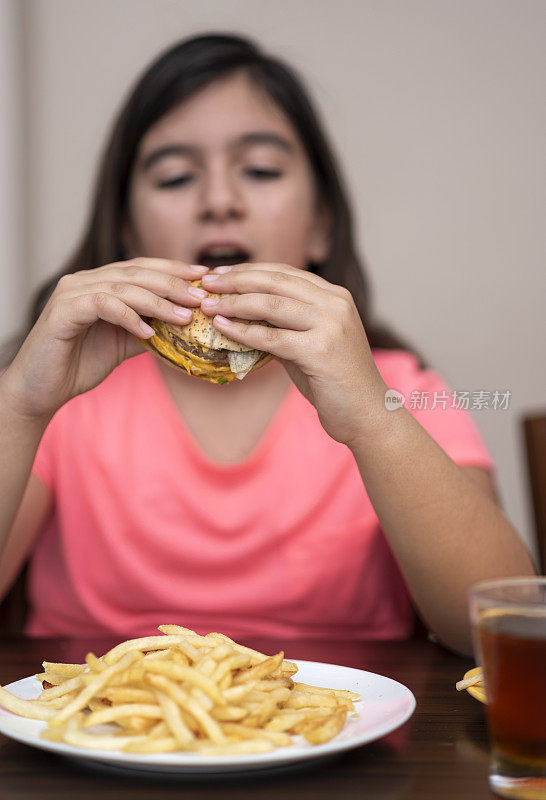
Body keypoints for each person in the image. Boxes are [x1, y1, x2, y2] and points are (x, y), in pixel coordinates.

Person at [0, 34, 534, 653]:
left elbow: (498, 627)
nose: (220, 202)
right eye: (175, 177)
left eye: (259, 170)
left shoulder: (398, 390)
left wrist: (372, 417)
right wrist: (19, 406)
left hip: (346, 734)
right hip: (90, 731)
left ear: (320, 225)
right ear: (125, 231)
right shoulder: (58, 402)